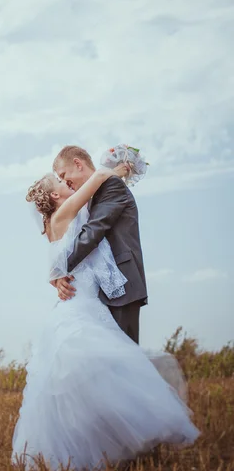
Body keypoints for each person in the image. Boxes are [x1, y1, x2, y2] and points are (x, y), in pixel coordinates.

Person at [12, 160, 199, 471]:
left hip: (83, 299)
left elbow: (63, 255)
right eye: (58, 181)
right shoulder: (67, 209)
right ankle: (125, 441)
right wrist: (121, 166)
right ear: (57, 197)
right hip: (83, 302)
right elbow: (98, 176)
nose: (63, 182)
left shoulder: (52, 223)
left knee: (99, 377)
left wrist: (56, 274)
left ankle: (102, 445)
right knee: (114, 370)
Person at [52, 145, 148, 344]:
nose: (63, 182)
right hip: (104, 290)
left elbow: (92, 233)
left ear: (77, 164)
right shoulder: (93, 195)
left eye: (63, 174)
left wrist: (60, 268)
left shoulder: (111, 185)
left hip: (122, 286)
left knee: (125, 361)